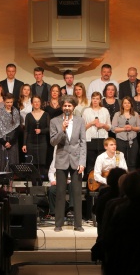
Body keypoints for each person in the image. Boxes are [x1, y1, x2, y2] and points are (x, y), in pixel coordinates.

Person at [50, 95, 86, 232]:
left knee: (77, 193)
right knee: (60, 192)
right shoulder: (54, 121)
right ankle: (58, 224)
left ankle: (78, 224)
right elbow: (53, 142)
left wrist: (82, 162)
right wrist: (62, 130)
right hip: (61, 159)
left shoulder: (80, 121)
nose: (67, 108)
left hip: (76, 160)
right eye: (64, 105)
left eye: (69, 106)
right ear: (61, 107)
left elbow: (83, 143)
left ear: (73, 107)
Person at [22, 95, 50, 182]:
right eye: (35, 102)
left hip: (42, 143)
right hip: (31, 142)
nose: (36, 103)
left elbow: (49, 128)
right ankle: (33, 184)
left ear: (40, 103)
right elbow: (26, 130)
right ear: (32, 103)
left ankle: (41, 184)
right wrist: (24, 144)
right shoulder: (28, 116)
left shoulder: (46, 115)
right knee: (32, 164)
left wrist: (41, 130)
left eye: (38, 101)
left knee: (41, 163)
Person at [83, 91, 112, 173]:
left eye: (97, 99)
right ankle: (90, 182)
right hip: (90, 139)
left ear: (100, 100)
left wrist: (102, 125)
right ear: (91, 100)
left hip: (102, 138)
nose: (95, 100)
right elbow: (82, 128)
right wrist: (91, 123)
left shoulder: (104, 110)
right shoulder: (86, 111)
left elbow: (109, 127)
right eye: (93, 98)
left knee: (102, 162)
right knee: (91, 162)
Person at [112, 96, 140, 171]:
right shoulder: (117, 114)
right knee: (121, 162)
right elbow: (113, 129)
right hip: (120, 140)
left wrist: (132, 128)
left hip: (133, 140)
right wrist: (123, 129)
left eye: (128, 103)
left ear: (131, 104)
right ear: (122, 104)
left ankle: (131, 179)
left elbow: (139, 128)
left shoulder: (135, 114)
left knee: (132, 162)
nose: (127, 104)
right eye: (125, 103)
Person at [0, 93, 20, 173]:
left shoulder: (15, 112)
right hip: (2, 141)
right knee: (2, 164)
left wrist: (11, 142)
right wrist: (4, 142)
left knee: (12, 163)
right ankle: (3, 184)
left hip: (12, 141)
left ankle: (11, 184)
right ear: (4, 102)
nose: (9, 104)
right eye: (7, 102)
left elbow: (17, 128)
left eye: (11, 102)